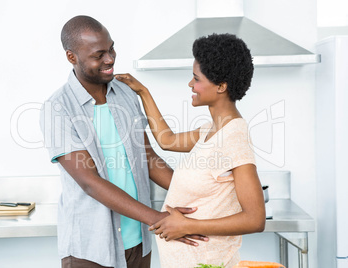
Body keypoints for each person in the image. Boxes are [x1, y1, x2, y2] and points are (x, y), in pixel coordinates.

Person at [39, 15, 207, 268]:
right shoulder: (58, 108)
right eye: (99, 55)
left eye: (112, 49)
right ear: (72, 57)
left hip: (139, 241)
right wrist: (160, 219)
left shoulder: (126, 93)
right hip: (91, 250)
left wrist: (195, 197)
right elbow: (90, 182)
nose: (110, 59)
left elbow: (148, 157)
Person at [115, 33, 266, 268]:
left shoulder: (233, 137)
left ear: (221, 86)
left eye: (196, 78)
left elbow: (255, 219)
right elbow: (167, 140)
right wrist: (143, 92)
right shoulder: (211, 130)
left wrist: (188, 226)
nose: (190, 84)